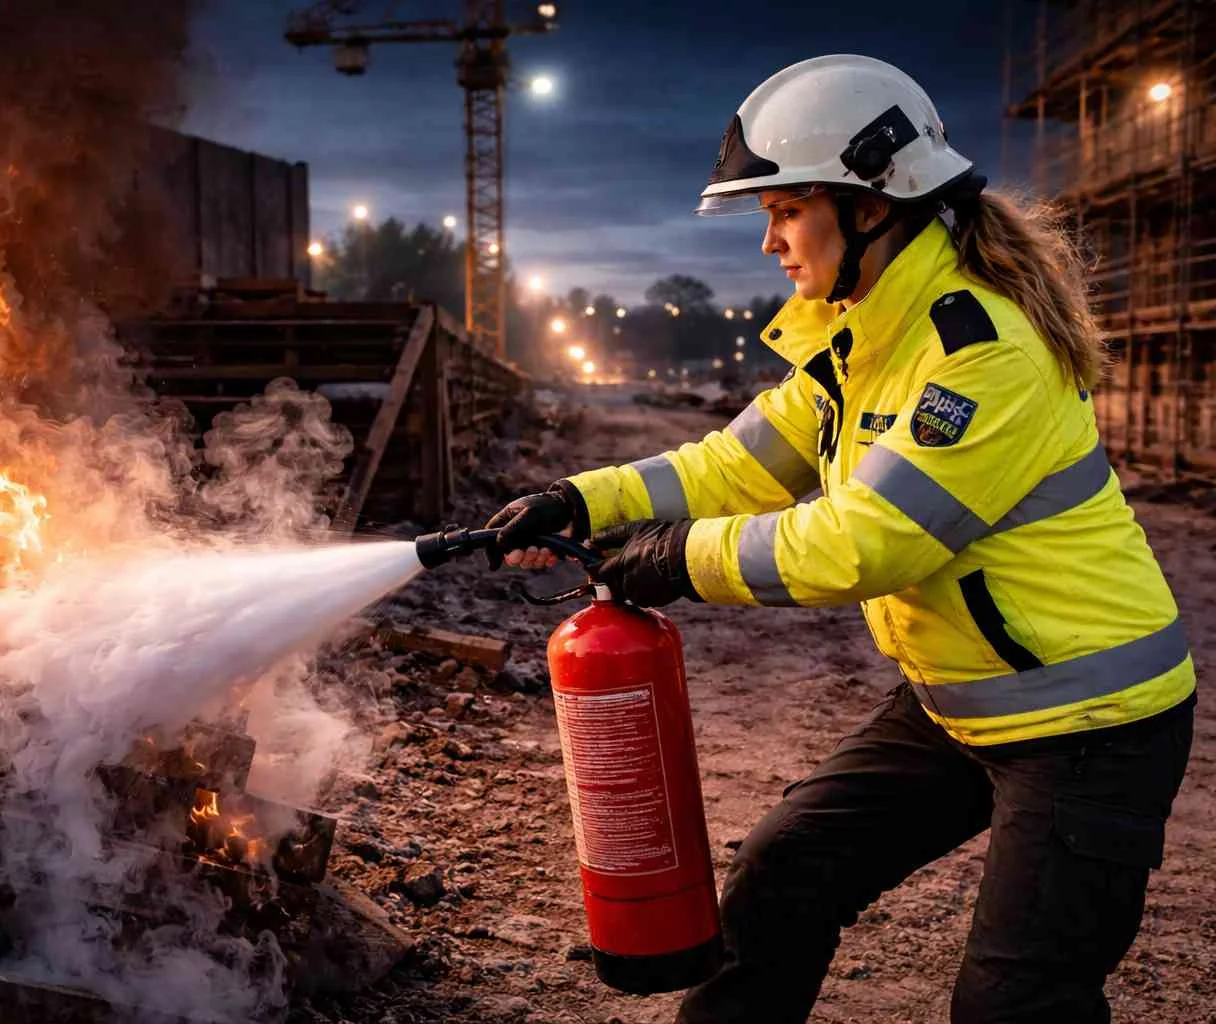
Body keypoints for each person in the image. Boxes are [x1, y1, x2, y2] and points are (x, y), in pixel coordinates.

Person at [486, 54, 1196, 1024]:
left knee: (1014, 1002)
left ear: (870, 204)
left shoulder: (979, 353)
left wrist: (677, 558)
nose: (771, 241)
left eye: (786, 210)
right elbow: (730, 464)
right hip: (963, 700)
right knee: (787, 867)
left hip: (1091, 722)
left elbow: (866, 545)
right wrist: (578, 499)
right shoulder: (857, 337)